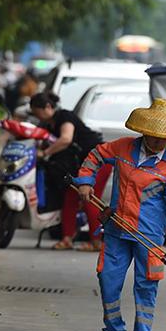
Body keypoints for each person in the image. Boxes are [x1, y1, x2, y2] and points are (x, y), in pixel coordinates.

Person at [74, 98, 166, 331]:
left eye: (165, 138)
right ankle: (114, 330)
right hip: (117, 230)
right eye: (155, 137)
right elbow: (96, 156)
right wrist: (86, 180)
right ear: (145, 132)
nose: (160, 143)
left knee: (146, 286)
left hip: (150, 237)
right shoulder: (122, 148)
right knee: (107, 278)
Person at [29, 92, 111, 251]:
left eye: (36, 111)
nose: (36, 115)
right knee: (70, 198)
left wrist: (46, 153)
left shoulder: (64, 117)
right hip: (81, 165)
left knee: (89, 198)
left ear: (47, 107)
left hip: (99, 161)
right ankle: (67, 238)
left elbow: (66, 139)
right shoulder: (48, 125)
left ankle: (97, 242)